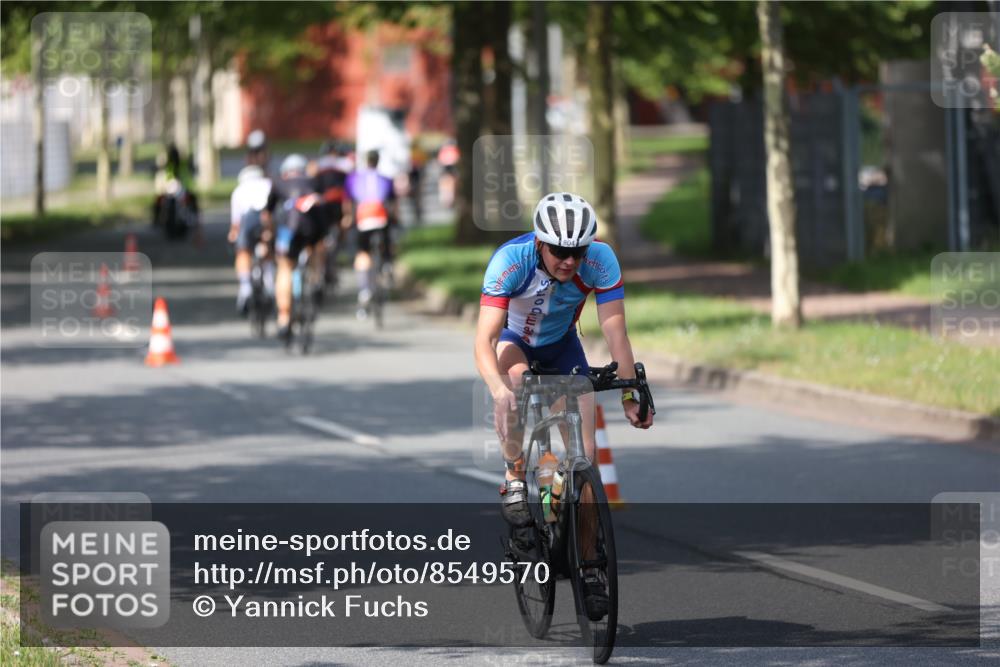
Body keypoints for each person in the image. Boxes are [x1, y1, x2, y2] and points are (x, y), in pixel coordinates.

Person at [473, 192, 654, 619]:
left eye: (577, 251)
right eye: (560, 251)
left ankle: (590, 567)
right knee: (515, 384)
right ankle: (515, 478)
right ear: (540, 243)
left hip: (563, 349)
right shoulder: (510, 261)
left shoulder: (602, 260)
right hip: (514, 345)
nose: (570, 261)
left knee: (584, 461)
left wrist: (630, 392)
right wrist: (499, 391)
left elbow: (616, 333)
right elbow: (483, 340)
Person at [266, 154, 325, 341]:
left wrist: (268, 234)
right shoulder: (313, 181)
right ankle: (315, 281)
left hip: (289, 230)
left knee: (284, 268)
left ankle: (284, 318)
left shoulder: (278, 183)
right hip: (313, 228)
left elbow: (267, 214)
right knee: (315, 249)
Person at [344, 150, 397, 319]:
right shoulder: (386, 179)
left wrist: (348, 217)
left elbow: (348, 201)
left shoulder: (353, 178)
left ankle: (365, 290)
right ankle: (387, 264)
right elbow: (393, 203)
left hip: (363, 218)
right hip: (380, 216)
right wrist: (395, 218)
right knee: (388, 239)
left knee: (362, 254)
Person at [228, 158, 274, 314]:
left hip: (247, 220)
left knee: (243, 252)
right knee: (268, 251)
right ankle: (269, 284)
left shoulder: (239, 191)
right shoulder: (268, 185)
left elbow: (236, 223)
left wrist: (233, 235)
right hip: (265, 219)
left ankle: (246, 287)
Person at [314, 140, 353, 287]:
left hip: (323, 203)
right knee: (341, 228)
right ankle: (339, 247)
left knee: (321, 238)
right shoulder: (345, 164)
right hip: (339, 202)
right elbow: (349, 188)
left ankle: (320, 270)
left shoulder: (318, 164)